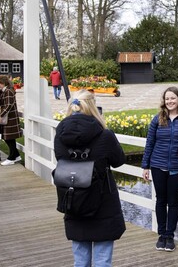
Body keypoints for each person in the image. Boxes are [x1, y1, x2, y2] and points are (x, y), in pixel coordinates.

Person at [54, 89, 126, 267]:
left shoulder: (60, 135)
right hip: (103, 203)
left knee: (80, 260)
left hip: (73, 198)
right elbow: (118, 161)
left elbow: (60, 158)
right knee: (102, 260)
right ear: (93, 107)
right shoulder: (104, 135)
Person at [141, 86, 178, 252]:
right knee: (161, 200)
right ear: (164, 101)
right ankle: (161, 235)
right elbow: (149, 143)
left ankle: (170, 236)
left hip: (177, 167)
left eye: (173, 98)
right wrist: (145, 166)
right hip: (158, 165)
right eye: (167, 99)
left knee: (173, 201)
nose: (170, 101)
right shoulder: (158, 119)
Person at [0, 75, 22, 165]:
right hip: (9, 117)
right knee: (8, 138)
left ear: (3, 83)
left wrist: (1, 115)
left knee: (9, 138)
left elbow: (8, 105)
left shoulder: (8, 91)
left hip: (10, 118)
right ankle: (16, 155)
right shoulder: (6, 91)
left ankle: (11, 158)